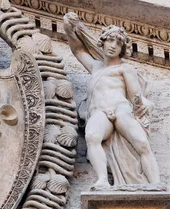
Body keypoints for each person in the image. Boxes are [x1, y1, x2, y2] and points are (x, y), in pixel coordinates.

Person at [63, 13, 160, 187]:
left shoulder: (125, 68)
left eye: (118, 43)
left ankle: (155, 183)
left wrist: (141, 104)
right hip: (99, 111)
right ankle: (102, 180)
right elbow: (78, 50)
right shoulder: (95, 67)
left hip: (121, 109)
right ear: (102, 42)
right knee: (92, 137)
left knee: (142, 144)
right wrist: (69, 28)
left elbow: (134, 94)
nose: (113, 46)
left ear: (122, 49)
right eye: (110, 40)